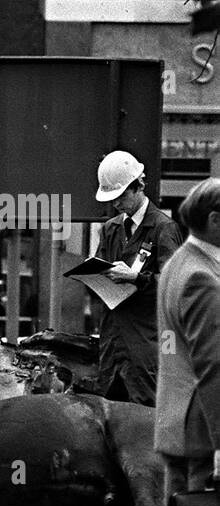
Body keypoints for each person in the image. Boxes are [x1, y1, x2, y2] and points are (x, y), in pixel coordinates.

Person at [150, 177, 220, 506]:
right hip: (202, 431)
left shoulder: (177, 265)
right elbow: (213, 366)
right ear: (215, 220)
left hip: (176, 421)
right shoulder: (204, 279)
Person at [90, 150, 184, 406]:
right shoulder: (110, 229)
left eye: (121, 196)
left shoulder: (164, 228)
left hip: (145, 344)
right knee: (109, 415)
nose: (117, 204)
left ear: (139, 186)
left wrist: (136, 278)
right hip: (112, 344)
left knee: (146, 418)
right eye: (113, 199)